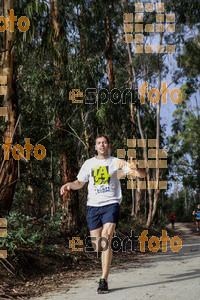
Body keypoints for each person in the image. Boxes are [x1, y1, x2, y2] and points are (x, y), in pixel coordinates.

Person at [60, 135, 146, 294]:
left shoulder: (116, 162)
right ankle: (105, 264)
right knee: (97, 245)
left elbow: (142, 175)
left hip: (111, 204)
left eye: (104, 142)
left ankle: (103, 279)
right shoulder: (89, 164)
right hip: (92, 207)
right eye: (99, 143)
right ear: (95, 147)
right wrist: (68, 185)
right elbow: (79, 183)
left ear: (109, 145)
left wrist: (136, 168)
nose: (102, 145)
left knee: (107, 238)